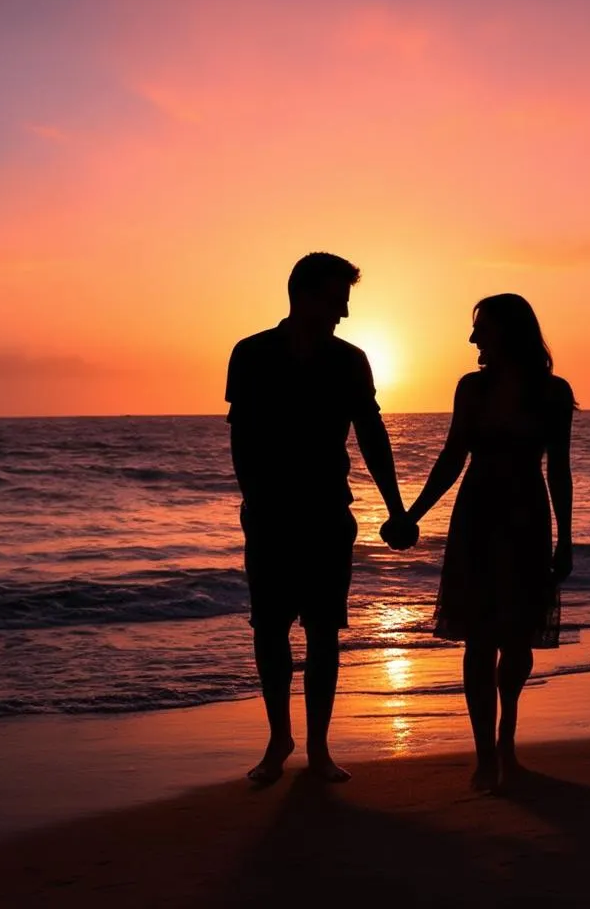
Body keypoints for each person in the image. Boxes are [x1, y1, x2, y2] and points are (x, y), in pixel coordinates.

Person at [225, 252, 418, 784]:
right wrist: (256, 502)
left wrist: (396, 506)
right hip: (267, 516)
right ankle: (278, 738)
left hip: (329, 514)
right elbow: (241, 437)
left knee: (324, 633)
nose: (344, 313)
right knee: (269, 630)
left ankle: (318, 748)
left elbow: (372, 436)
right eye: (336, 301)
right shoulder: (251, 354)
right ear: (303, 296)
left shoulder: (350, 360)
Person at [406, 294, 575, 792]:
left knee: (518, 640)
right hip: (477, 514)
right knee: (478, 638)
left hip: (525, 515)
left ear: (506, 331)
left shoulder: (553, 393)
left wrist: (566, 538)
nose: (473, 338)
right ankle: (485, 754)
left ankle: (507, 731)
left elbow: (559, 470)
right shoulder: (471, 388)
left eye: (481, 328)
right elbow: (452, 456)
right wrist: (412, 515)